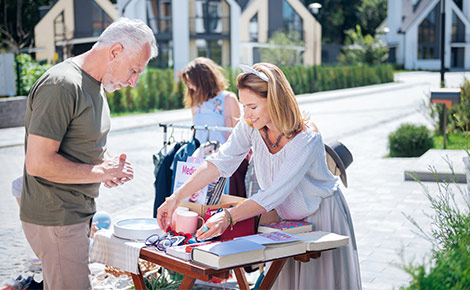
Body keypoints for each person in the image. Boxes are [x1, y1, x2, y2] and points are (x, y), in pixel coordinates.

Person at [157, 63, 362, 289]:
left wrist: (228, 217)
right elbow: (219, 163)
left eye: (252, 106)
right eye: (243, 105)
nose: (245, 114)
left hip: (322, 216)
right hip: (287, 222)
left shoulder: (306, 138)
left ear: (274, 100)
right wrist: (175, 198)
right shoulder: (251, 127)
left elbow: (272, 195)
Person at [21, 18, 158, 290]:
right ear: (115, 51)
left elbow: (79, 146)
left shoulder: (95, 85)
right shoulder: (62, 84)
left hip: (74, 214)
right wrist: (98, 172)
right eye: (134, 70)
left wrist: (107, 167)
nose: (133, 82)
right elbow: (37, 163)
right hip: (57, 216)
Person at [180, 57, 240, 144]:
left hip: (221, 155)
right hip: (198, 155)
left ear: (204, 81)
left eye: (192, 83)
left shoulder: (228, 98)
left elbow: (238, 135)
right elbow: (196, 132)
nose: (190, 87)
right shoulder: (196, 102)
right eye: (188, 83)